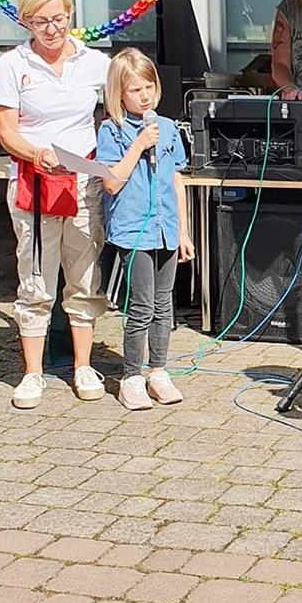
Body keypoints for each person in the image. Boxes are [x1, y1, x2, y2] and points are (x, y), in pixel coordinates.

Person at [0, 0, 110, 410]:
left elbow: (118, 108)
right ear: (26, 22)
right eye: (41, 22)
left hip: (82, 181)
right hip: (35, 181)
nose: (52, 30)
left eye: (59, 19)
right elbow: (6, 129)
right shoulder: (12, 64)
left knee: (84, 276)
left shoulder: (95, 62)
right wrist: (35, 152)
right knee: (36, 277)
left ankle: (82, 365)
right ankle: (33, 373)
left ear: (71, 14)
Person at [96, 49, 195, 411]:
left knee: (163, 304)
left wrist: (183, 231)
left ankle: (159, 370)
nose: (144, 95)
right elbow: (111, 183)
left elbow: (176, 179)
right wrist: (138, 145)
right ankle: (131, 376)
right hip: (134, 228)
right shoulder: (112, 130)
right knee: (140, 305)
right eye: (135, 89)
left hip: (166, 228)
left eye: (149, 86)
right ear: (118, 93)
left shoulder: (167, 128)